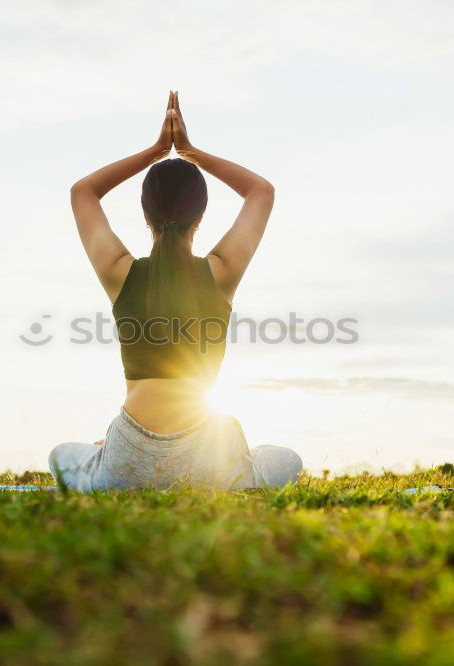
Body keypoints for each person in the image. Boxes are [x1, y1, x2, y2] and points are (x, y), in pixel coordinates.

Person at [48, 91, 302, 492]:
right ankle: (234, 474)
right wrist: (190, 151)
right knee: (286, 461)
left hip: (127, 456)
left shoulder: (120, 272)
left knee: (62, 454)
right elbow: (261, 191)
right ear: (200, 219)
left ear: (145, 215)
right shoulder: (221, 272)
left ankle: (109, 458)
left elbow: (83, 192)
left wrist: (154, 152)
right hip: (209, 457)